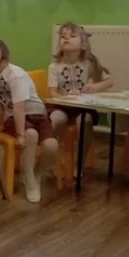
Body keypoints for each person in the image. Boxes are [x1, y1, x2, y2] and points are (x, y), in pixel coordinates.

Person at [0, 35, 58, 203]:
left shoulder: (15, 75)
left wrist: (20, 134)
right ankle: (29, 178)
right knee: (31, 135)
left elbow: (19, 106)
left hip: (36, 113)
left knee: (51, 146)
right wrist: (1, 123)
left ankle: (36, 171)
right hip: (13, 117)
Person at [47, 22, 114, 174]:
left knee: (86, 121)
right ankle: (55, 160)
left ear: (83, 44)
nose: (66, 38)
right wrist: (66, 97)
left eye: (72, 35)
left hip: (83, 108)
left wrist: (94, 87)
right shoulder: (54, 67)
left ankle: (80, 164)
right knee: (54, 120)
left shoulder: (89, 63)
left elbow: (109, 81)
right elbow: (52, 93)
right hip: (61, 107)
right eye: (63, 36)